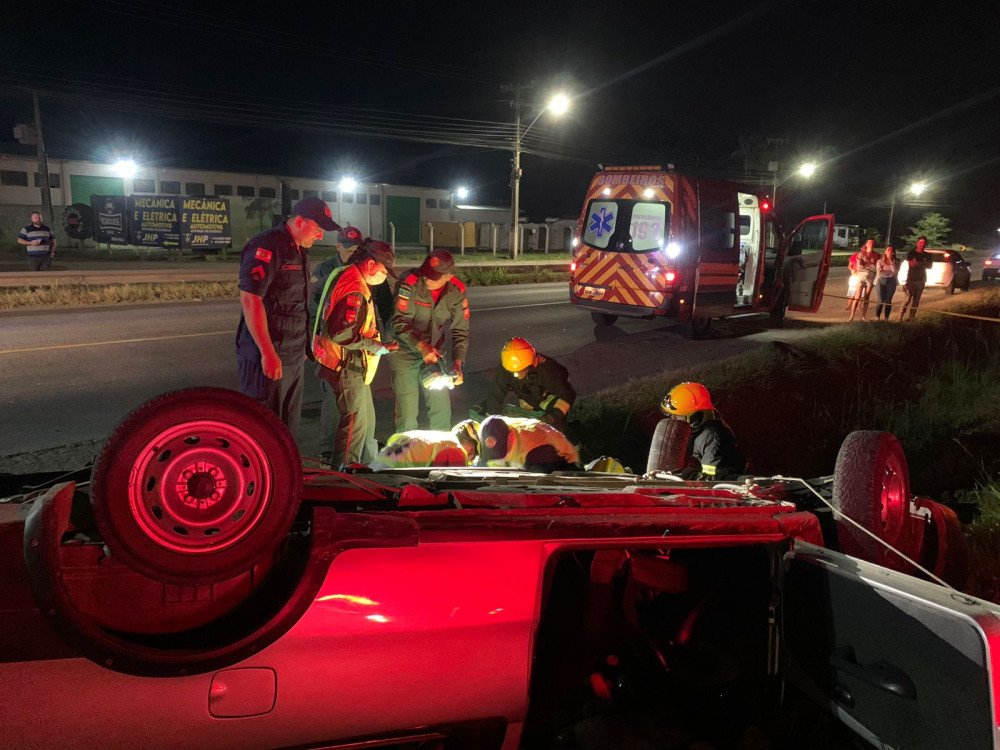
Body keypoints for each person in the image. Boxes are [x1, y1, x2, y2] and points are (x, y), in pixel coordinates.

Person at [236, 197, 339, 438]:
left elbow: (294, 304)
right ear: (300, 221)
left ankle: (285, 473)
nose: (321, 236)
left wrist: (302, 346)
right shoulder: (268, 245)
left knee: (287, 429)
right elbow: (251, 298)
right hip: (268, 356)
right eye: (318, 229)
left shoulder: (299, 249)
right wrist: (268, 353)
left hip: (291, 355)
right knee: (264, 429)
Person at [313, 241, 398, 467]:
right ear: (371, 264)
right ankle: (345, 474)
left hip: (346, 362)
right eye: (383, 272)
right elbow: (341, 333)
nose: (384, 278)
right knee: (354, 425)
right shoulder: (355, 288)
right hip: (346, 364)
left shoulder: (346, 273)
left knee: (364, 422)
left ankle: (361, 466)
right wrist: (376, 347)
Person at [390, 248, 470, 431]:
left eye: (433, 277)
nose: (426, 279)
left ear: (449, 276)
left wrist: (457, 364)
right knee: (407, 412)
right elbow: (399, 321)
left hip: (434, 351)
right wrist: (420, 346)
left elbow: (460, 331)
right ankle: (406, 454)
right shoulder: (410, 283)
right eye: (426, 274)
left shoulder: (456, 292)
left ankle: (441, 453)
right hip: (405, 349)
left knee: (441, 409)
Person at [308, 226, 365, 461]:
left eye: (357, 250)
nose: (353, 253)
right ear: (338, 246)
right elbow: (313, 307)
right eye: (349, 249)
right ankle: (327, 450)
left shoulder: (360, 268)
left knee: (352, 401)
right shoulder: (324, 271)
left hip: (354, 345)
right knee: (331, 397)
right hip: (330, 344)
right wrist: (312, 340)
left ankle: (353, 451)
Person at [473, 337, 576, 433]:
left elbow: (567, 395)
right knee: (529, 430)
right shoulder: (507, 367)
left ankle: (573, 446)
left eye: (519, 372)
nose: (515, 375)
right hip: (527, 397)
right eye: (512, 372)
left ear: (532, 364)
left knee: (555, 430)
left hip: (549, 397)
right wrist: (491, 423)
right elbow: (495, 395)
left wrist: (550, 418)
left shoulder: (548, 371)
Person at [660, 382, 744, 480]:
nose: (673, 419)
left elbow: (710, 480)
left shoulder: (712, 437)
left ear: (695, 418)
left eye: (676, 416)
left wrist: (684, 476)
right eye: (671, 415)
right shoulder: (695, 432)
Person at [477, 414, 580, 472]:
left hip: (564, 463)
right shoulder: (491, 428)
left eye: (502, 449)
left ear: (510, 436)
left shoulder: (534, 444)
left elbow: (542, 479)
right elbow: (485, 463)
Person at [369, 420, 480, 470]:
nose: (470, 458)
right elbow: (447, 485)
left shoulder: (441, 437)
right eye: (474, 453)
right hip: (390, 476)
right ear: (471, 443)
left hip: (376, 466)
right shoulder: (455, 450)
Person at [898, 236, 933, 321]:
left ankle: (911, 317)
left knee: (916, 300)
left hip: (921, 279)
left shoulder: (928, 255)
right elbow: (913, 264)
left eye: (924, 243)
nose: (922, 244)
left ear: (926, 244)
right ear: (917, 243)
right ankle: (900, 317)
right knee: (907, 299)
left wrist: (918, 263)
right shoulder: (912, 253)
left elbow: (930, 266)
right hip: (911, 279)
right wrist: (923, 263)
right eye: (920, 242)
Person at [848, 240, 879, 322]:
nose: (871, 244)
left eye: (872, 243)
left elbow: (877, 266)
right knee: (857, 296)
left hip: (871, 276)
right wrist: (871, 267)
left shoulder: (877, 255)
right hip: (862, 276)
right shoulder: (861, 254)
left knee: (866, 297)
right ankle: (852, 316)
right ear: (866, 244)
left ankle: (863, 316)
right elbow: (859, 267)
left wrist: (868, 267)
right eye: (869, 243)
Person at [874, 245, 901, 320]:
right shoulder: (880, 261)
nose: (890, 251)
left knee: (888, 301)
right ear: (885, 252)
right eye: (888, 250)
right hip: (880, 281)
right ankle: (877, 318)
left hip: (892, 281)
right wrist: (885, 270)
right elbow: (879, 272)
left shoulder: (896, 261)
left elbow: (895, 272)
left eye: (892, 250)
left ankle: (886, 318)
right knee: (881, 300)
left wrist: (891, 262)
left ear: (893, 252)